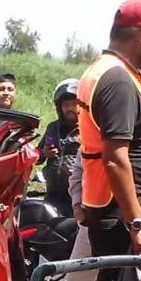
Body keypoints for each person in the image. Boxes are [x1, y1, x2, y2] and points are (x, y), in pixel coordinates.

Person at [76, 0, 141, 281]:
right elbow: (116, 158)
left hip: (110, 206)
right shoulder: (117, 79)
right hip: (122, 212)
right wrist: (136, 223)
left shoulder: (103, 70)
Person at [38, 78, 81, 217]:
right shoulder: (52, 128)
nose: (70, 108)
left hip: (78, 194)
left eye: (74, 104)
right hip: (53, 193)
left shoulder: (89, 130)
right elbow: (37, 158)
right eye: (66, 104)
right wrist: (44, 153)